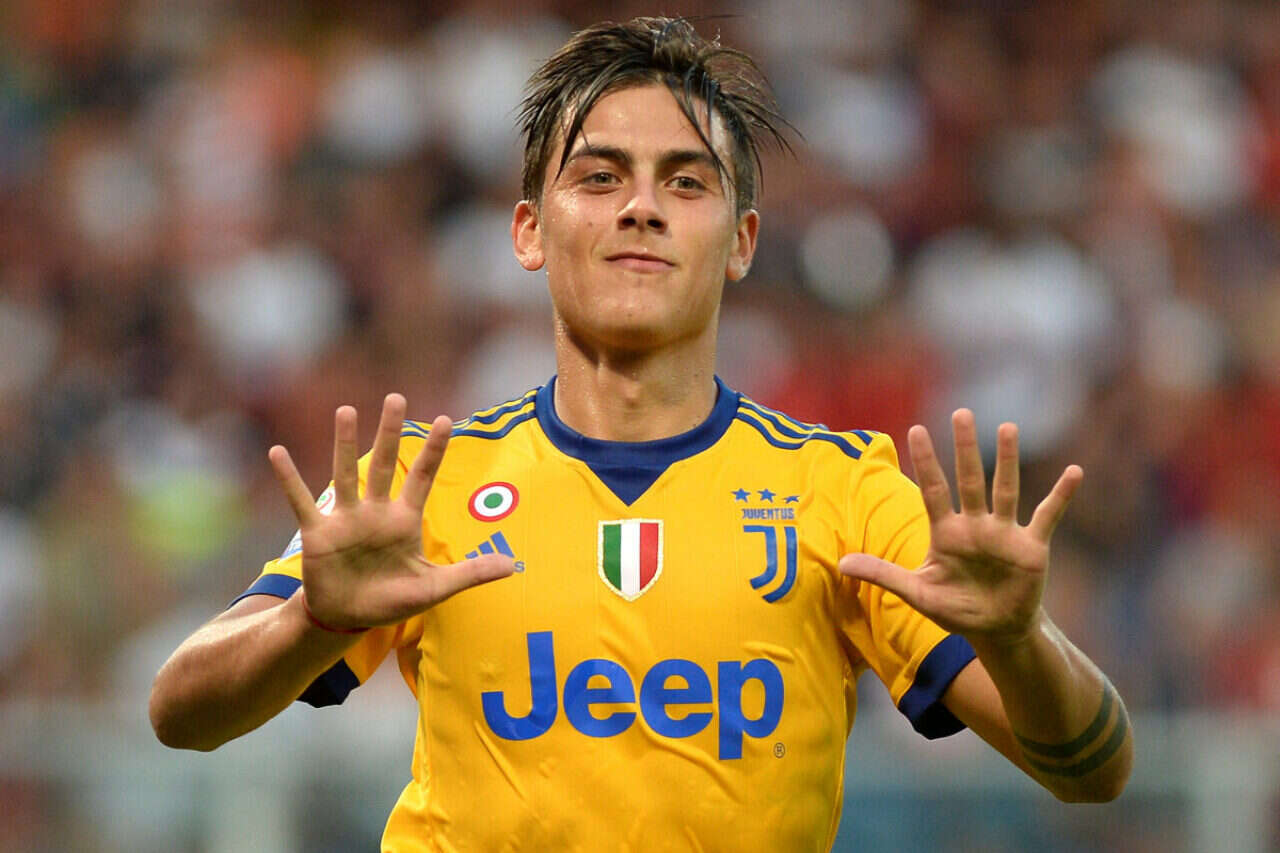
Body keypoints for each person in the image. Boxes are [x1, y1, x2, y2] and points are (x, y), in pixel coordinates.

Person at [149, 16, 1133, 851]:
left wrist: (1019, 640)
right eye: (599, 176)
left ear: (741, 241)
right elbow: (179, 712)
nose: (641, 208)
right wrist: (311, 624)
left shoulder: (845, 492)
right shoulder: (416, 484)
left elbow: (1092, 770)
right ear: (529, 230)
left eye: (687, 182)